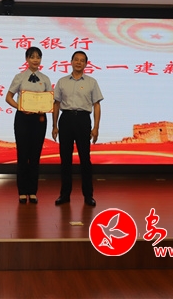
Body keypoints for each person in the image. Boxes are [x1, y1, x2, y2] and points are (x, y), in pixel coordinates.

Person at [52, 51, 103, 207]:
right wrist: (54, 126)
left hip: (83, 119)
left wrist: (96, 127)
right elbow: (56, 104)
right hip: (66, 119)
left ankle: (88, 195)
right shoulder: (62, 82)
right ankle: (64, 195)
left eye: (82, 60)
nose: (79, 62)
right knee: (65, 159)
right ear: (71, 62)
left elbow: (96, 105)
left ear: (86, 64)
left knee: (85, 159)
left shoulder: (91, 82)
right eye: (76, 60)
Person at [6, 47, 52, 204]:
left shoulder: (45, 79)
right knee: (22, 155)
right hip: (23, 119)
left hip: (39, 119)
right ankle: (22, 191)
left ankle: (32, 192)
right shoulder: (19, 77)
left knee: (35, 156)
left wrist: (44, 108)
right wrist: (20, 107)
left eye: (38, 57)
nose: (35, 60)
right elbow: (8, 97)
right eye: (32, 57)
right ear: (26, 59)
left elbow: (49, 100)